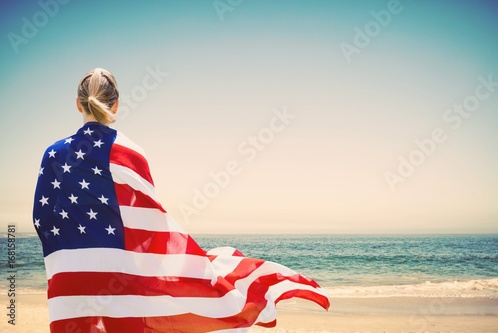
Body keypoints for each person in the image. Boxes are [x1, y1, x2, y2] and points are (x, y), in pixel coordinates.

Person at [33, 68, 329, 333]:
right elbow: (149, 220)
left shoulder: (52, 154)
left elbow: (42, 218)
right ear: (116, 105)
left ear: (77, 104)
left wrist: (69, 254)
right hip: (122, 282)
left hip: (69, 282)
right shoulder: (129, 151)